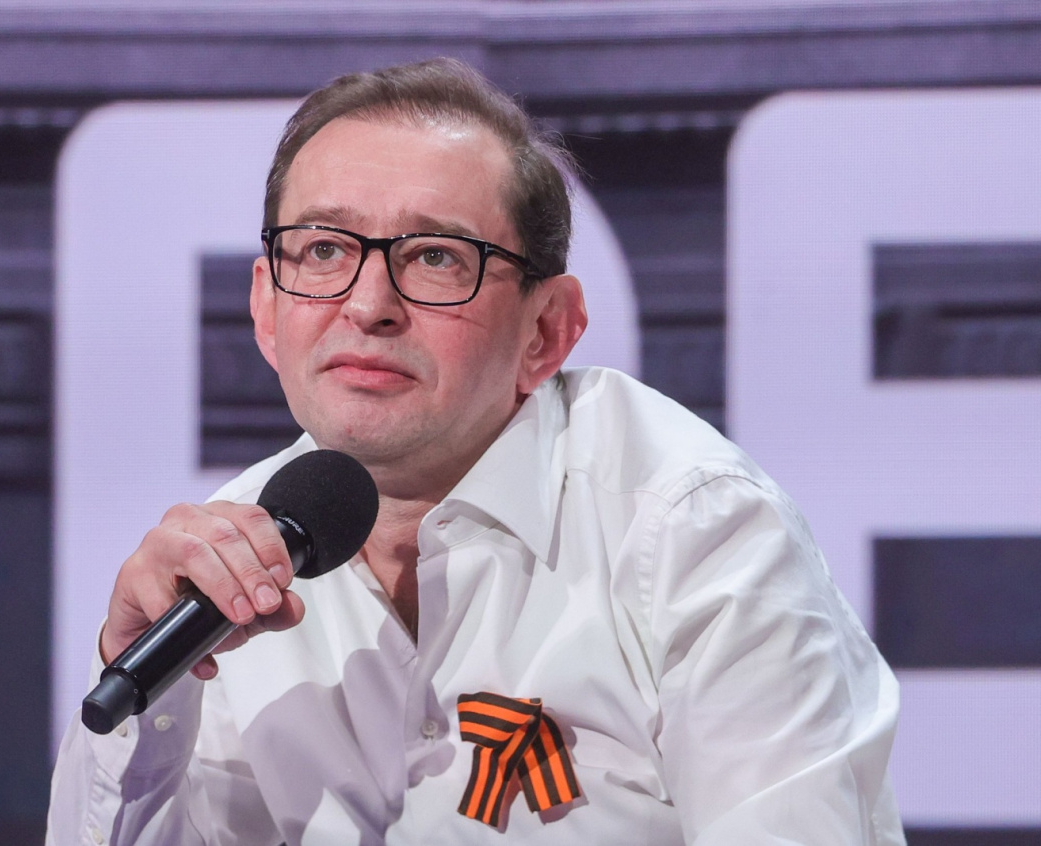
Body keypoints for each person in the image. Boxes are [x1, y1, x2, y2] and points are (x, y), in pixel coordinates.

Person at [47, 58, 905, 845]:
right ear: (267, 309)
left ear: (547, 331)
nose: (368, 305)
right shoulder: (219, 573)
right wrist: (144, 686)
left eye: (435, 258)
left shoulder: (694, 529)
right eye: (325, 249)